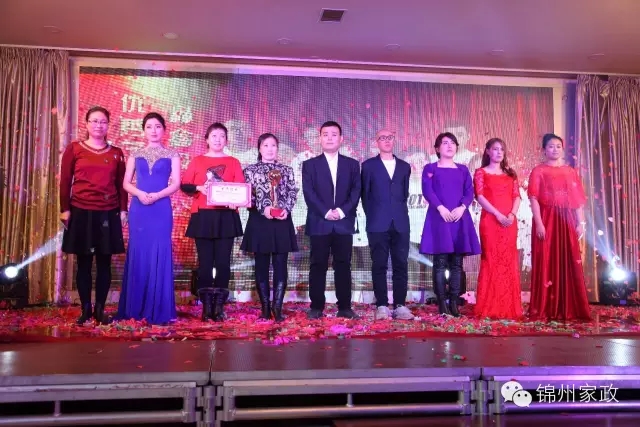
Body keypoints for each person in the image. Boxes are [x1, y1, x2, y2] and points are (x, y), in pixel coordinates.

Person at [60, 106, 128, 325]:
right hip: (81, 210)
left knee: (104, 263)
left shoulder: (116, 152)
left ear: (108, 125)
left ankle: (100, 309)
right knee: (84, 263)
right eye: (94, 121)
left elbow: (121, 184)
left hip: (108, 212)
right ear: (87, 124)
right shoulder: (74, 148)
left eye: (103, 122)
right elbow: (65, 180)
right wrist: (65, 209)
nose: (99, 125)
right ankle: (85, 309)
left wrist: (123, 210)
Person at [117, 112, 180, 325]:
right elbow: (126, 183)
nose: (153, 130)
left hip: (161, 209)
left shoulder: (172, 154)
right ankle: (134, 308)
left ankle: (159, 308)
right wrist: (140, 194)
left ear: (164, 130)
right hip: (139, 209)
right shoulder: (135, 154)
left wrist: (157, 195)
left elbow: (176, 183)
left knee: (160, 252)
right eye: (149, 127)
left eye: (158, 126)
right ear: (143, 130)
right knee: (139, 252)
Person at [181, 122, 245, 322]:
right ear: (207, 139)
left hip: (226, 217)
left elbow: (241, 188)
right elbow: (185, 185)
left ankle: (219, 307)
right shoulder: (197, 160)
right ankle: (206, 308)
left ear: (226, 140)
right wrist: (199, 188)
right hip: (203, 216)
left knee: (224, 263)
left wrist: (236, 201)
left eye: (222, 136)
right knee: (205, 263)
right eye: (214, 136)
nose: (218, 139)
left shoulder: (233, 162)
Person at [528, 133, 591, 321]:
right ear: (544, 150)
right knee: (546, 260)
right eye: (550, 146)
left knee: (568, 260)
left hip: (567, 220)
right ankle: (544, 307)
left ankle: (569, 307)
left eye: (558, 146)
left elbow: (577, 201)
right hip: (546, 218)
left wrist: (581, 223)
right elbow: (534, 198)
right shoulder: (538, 171)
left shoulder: (570, 171)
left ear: (562, 149)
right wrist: (539, 223)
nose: (555, 149)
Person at [302, 121, 361, 320]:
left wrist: (342, 212)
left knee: (343, 264)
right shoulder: (310, 165)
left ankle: (344, 306)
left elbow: (356, 191)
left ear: (341, 139)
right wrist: (326, 212)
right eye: (325, 134)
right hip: (320, 221)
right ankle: (316, 306)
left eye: (334, 134)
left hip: (343, 222)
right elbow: (309, 193)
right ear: (319, 139)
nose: (329, 138)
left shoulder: (352, 164)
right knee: (317, 264)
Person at [420, 132, 481, 317]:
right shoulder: (430, 168)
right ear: (437, 148)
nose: (449, 146)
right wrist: (441, 208)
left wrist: (462, 208)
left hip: (458, 218)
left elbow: (469, 191)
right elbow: (428, 190)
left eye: (453, 143)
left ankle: (454, 302)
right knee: (439, 263)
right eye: (445, 143)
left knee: (456, 264)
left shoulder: (463, 169)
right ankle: (442, 303)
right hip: (439, 218)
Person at [241, 133, 299, 322]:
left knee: (281, 264)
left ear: (277, 148)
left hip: (282, 221)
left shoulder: (286, 170)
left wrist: (286, 209)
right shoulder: (249, 171)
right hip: (259, 221)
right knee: (261, 265)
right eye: (266, 145)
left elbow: (292, 192)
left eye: (273, 145)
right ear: (259, 148)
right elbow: (247, 196)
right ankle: (265, 308)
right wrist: (263, 208)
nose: (270, 149)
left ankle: (278, 307)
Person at [361, 130, 414, 320]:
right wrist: (374, 215)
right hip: (377, 223)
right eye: (382, 138)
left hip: (400, 222)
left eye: (390, 137)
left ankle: (400, 305)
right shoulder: (368, 166)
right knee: (379, 264)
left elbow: (404, 194)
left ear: (394, 140)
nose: (386, 141)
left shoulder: (404, 166)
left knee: (401, 264)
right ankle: (382, 305)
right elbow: (365, 196)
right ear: (376, 142)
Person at [473, 138, 523, 319]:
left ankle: (509, 308)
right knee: (491, 260)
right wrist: (497, 215)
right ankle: (489, 307)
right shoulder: (481, 172)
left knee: (508, 261)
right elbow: (480, 196)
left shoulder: (511, 174)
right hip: (491, 221)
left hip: (509, 222)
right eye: (495, 149)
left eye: (502, 149)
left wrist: (511, 215)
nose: (499, 152)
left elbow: (517, 196)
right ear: (487, 151)